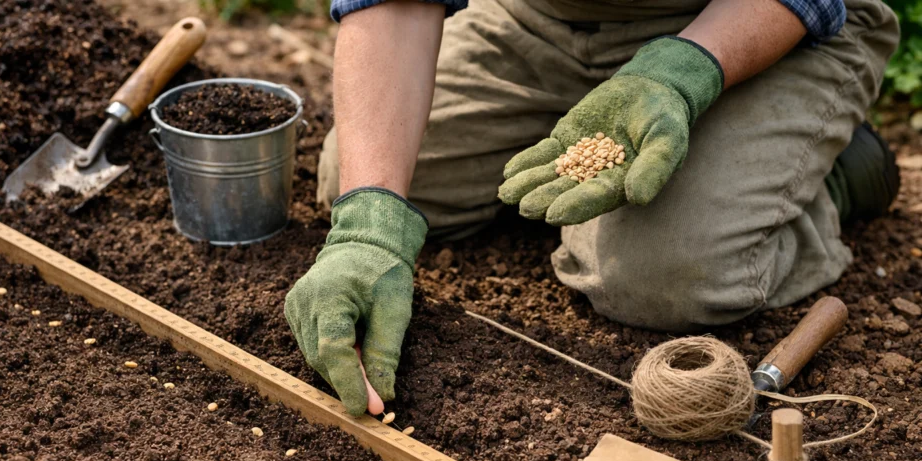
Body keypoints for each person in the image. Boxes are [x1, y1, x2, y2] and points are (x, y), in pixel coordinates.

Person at [284, 0, 901, 415]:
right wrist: (367, 228)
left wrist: (677, 74)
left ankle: (831, 175)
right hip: (542, 21)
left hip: (752, 26)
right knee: (354, 177)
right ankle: (604, 168)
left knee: (660, 275)